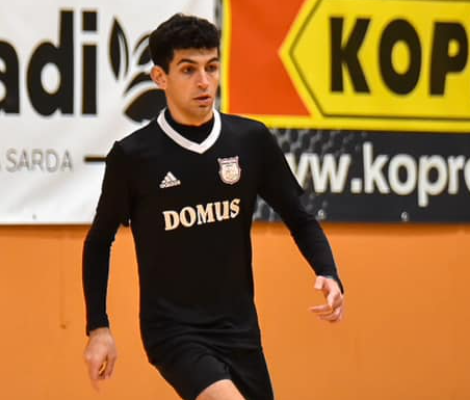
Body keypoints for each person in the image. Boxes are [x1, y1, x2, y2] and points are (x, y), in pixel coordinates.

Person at [82, 13, 344, 400]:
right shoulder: (133, 156)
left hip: (240, 330)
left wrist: (327, 271)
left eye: (212, 67)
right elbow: (99, 241)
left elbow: (299, 216)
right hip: (173, 331)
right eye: (188, 70)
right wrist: (98, 328)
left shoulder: (250, 140)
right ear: (160, 77)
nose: (204, 81)